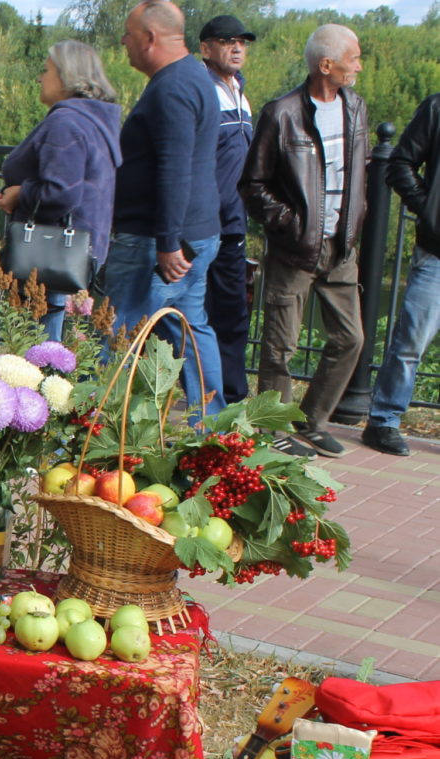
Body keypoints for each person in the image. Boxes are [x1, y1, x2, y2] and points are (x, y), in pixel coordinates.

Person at [240, 24, 367, 459]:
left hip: (340, 249)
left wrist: (354, 219)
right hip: (295, 249)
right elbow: (253, 185)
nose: (359, 66)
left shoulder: (356, 108)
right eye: (354, 58)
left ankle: (311, 423)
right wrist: (292, 225)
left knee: (350, 339)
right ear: (326, 65)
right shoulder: (283, 113)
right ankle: (271, 429)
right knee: (280, 348)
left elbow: (359, 170)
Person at [103, 1, 224, 418]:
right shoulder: (194, 77)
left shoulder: (172, 88)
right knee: (192, 329)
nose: (124, 42)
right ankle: (213, 431)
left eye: (129, 35)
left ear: (150, 38)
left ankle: (94, 429)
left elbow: (175, 169)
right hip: (193, 232)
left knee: (116, 332)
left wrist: (168, 243)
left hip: (158, 241)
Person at [0, 40, 121, 341]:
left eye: (46, 70)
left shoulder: (66, 121)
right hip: (73, 248)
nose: (40, 77)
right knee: (48, 341)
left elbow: (61, 193)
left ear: (67, 77)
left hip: (48, 250)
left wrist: (18, 195)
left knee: (36, 345)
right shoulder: (97, 121)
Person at [362, 93, 440, 457]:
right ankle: (383, 422)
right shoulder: (437, 107)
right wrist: (430, 212)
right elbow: (400, 164)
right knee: (411, 342)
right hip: (438, 253)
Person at [199, 14, 257, 404]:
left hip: (234, 225)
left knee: (233, 315)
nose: (236, 47)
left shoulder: (240, 92)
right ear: (205, 48)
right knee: (184, 316)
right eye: (226, 41)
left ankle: (232, 399)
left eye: (242, 41)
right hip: (200, 225)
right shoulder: (201, 90)